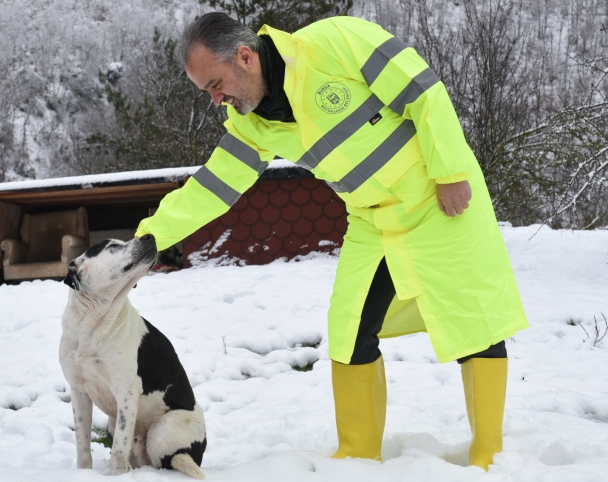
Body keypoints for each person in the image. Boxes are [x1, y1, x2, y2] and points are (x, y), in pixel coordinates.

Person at [134, 12, 528, 470]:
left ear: (245, 57)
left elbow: (422, 91)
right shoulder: (252, 123)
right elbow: (213, 188)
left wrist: (451, 172)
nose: (216, 99)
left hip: (437, 199)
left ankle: (489, 455)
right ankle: (357, 455)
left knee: (473, 320)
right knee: (349, 329)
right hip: (370, 219)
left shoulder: (335, 41)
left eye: (215, 84)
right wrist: (147, 239)